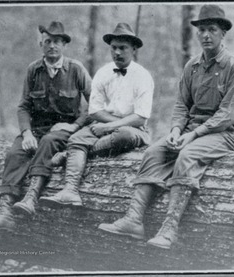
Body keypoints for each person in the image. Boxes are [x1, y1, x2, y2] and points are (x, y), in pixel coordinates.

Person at [98, 5, 234, 249]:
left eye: (212, 29)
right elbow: (181, 106)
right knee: (155, 151)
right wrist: (177, 131)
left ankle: (169, 229)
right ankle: (134, 220)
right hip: (191, 130)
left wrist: (192, 136)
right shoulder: (192, 66)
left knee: (187, 156)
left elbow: (227, 116)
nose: (206, 35)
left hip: (225, 133)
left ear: (223, 34)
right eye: (202, 30)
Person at [0, 21, 91, 231]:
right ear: (41, 44)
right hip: (37, 129)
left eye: (57, 41)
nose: (52, 46)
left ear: (64, 45)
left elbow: (95, 103)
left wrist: (75, 126)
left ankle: (31, 197)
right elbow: (23, 106)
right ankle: (5, 213)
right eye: (48, 41)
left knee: (49, 141)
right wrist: (27, 132)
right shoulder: (33, 70)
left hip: (63, 130)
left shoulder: (76, 69)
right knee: (15, 152)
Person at [38, 23, 154, 208]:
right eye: (114, 48)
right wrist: (109, 124)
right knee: (76, 138)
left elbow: (140, 117)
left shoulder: (143, 76)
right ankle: (70, 191)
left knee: (124, 135)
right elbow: (94, 110)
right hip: (103, 124)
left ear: (133, 49)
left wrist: (110, 126)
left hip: (132, 128)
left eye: (122, 48)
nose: (117, 53)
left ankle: (70, 155)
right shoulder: (104, 72)